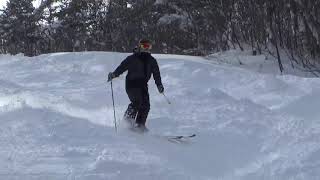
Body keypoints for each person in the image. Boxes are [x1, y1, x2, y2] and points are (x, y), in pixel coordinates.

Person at [107, 39, 164, 132]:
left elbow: (156, 74)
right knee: (137, 102)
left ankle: (140, 125)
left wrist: (159, 85)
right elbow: (122, 67)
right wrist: (114, 74)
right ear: (139, 47)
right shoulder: (132, 58)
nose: (146, 49)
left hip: (143, 85)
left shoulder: (152, 60)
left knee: (146, 105)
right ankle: (127, 122)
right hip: (132, 84)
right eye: (143, 46)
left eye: (148, 47)